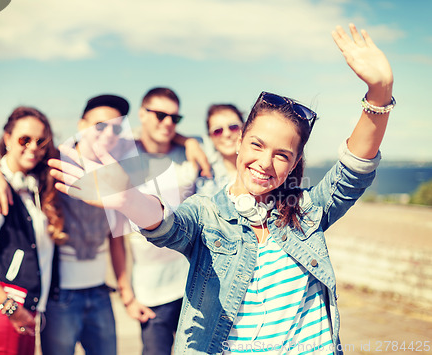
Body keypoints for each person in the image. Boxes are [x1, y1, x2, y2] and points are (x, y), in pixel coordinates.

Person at [49, 23, 395, 355]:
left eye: (282, 155)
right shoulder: (207, 213)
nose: (265, 162)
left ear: (293, 163)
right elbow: (169, 226)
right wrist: (129, 200)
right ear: (240, 142)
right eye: (257, 145)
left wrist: (379, 93)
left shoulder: (307, 210)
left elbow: (354, 168)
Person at [0, 94, 152, 355]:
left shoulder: (117, 169)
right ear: (81, 124)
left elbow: (116, 237)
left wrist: (127, 294)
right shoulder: (54, 162)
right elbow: (1, 155)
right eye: (100, 125)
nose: (108, 133)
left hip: (100, 293)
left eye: (116, 127)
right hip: (59, 297)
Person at [0, 106, 65, 355]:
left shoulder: (34, 189)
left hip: (26, 310)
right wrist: (10, 307)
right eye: (24, 139)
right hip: (6, 310)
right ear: (7, 138)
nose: (33, 147)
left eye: (41, 141)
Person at [124, 87, 199, 355]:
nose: (168, 123)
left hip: (195, 282)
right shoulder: (124, 158)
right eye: (160, 115)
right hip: (150, 292)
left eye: (175, 118)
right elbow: (116, 234)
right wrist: (126, 294)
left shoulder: (192, 151)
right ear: (142, 114)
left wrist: (189, 141)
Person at [196, 104, 244, 196]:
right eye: (217, 131)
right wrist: (190, 143)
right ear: (210, 137)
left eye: (233, 127)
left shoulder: (260, 167)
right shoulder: (206, 172)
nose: (226, 134)